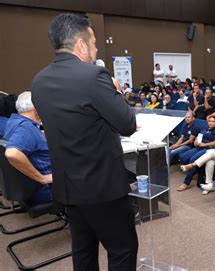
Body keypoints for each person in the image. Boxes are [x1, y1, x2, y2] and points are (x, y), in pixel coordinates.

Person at [31, 14, 138, 270]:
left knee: (83, 251)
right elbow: (127, 124)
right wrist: (114, 91)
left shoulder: (39, 81)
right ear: (81, 44)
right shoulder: (93, 77)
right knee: (122, 250)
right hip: (103, 187)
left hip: (69, 186)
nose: (96, 49)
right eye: (94, 42)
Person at [3, 92, 52, 204]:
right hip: (48, 188)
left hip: (28, 187)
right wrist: (42, 178)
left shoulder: (13, 121)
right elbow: (12, 153)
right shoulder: (26, 128)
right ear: (35, 108)